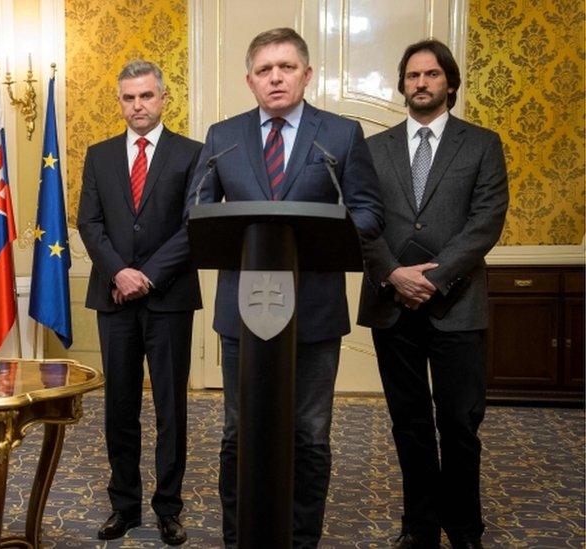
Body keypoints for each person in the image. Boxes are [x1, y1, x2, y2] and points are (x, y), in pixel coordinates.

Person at [189, 28, 384, 548]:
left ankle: (301, 540)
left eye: (287, 67)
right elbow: (197, 211)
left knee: (308, 435)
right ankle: (240, 538)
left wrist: (323, 231)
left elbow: (368, 211)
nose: (275, 77)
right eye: (264, 70)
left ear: (307, 74)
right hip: (242, 314)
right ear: (249, 80)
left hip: (315, 313)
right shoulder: (222, 136)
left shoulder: (340, 135)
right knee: (238, 433)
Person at [357, 39, 508, 549]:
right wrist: (394, 274)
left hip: (457, 305)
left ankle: (464, 529)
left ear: (450, 83)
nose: (421, 83)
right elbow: (360, 221)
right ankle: (418, 527)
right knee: (410, 424)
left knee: (460, 425)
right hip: (391, 305)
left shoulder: (483, 144)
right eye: (412, 75)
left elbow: (485, 221)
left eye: (431, 74)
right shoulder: (372, 150)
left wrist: (433, 278)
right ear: (402, 84)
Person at [77, 60, 203, 546]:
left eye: (146, 96)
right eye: (129, 98)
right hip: (113, 298)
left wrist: (146, 276)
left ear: (164, 97)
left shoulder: (192, 154)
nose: (138, 106)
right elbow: (90, 224)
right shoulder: (100, 155)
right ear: (120, 102)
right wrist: (120, 272)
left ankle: (169, 507)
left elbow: (194, 225)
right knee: (119, 406)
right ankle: (124, 505)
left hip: (168, 299)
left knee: (171, 408)